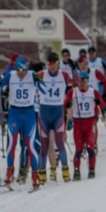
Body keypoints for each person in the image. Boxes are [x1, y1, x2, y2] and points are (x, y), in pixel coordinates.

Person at [0, 56, 41, 189]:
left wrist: (40, 78)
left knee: (31, 146)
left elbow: (45, 80)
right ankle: (10, 172)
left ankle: (35, 175)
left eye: (24, 70)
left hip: (29, 113)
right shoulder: (11, 75)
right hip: (15, 113)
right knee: (11, 144)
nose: (21, 72)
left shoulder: (32, 75)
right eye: (19, 69)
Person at [34, 53, 71, 183]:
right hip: (44, 112)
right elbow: (28, 79)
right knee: (44, 146)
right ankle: (42, 174)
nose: (52, 65)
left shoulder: (64, 75)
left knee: (60, 143)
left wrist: (69, 100)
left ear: (58, 63)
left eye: (54, 63)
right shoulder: (41, 74)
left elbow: (73, 87)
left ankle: (66, 171)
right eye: (49, 63)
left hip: (57, 112)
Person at [67, 71, 104, 179]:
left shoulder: (93, 92)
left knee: (90, 147)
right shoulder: (72, 92)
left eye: (85, 81)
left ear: (88, 81)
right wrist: (68, 104)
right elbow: (65, 102)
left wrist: (98, 102)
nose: (82, 83)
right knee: (78, 149)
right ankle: (76, 171)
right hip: (78, 123)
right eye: (80, 81)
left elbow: (103, 103)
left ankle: (91, 170)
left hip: (90, 122)